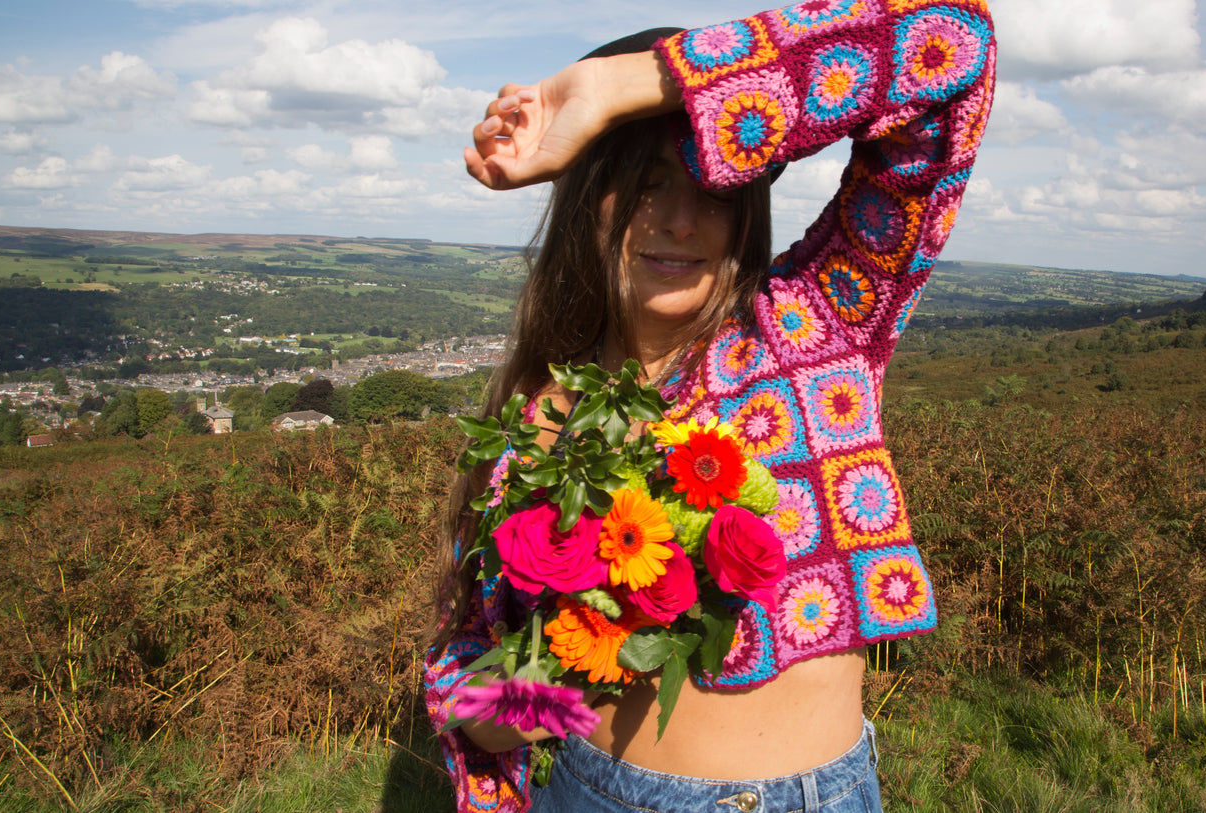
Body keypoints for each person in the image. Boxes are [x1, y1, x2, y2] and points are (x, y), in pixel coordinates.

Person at [425, 3, 995, 810]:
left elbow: (950, 43)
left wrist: (617, 87)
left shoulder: (818, 322)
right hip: (593, 792)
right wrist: (560, 672)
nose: (682, 221)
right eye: (643, 184)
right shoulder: (538, 414)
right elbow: (462, 668)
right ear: (588, 198)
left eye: (713, 188)